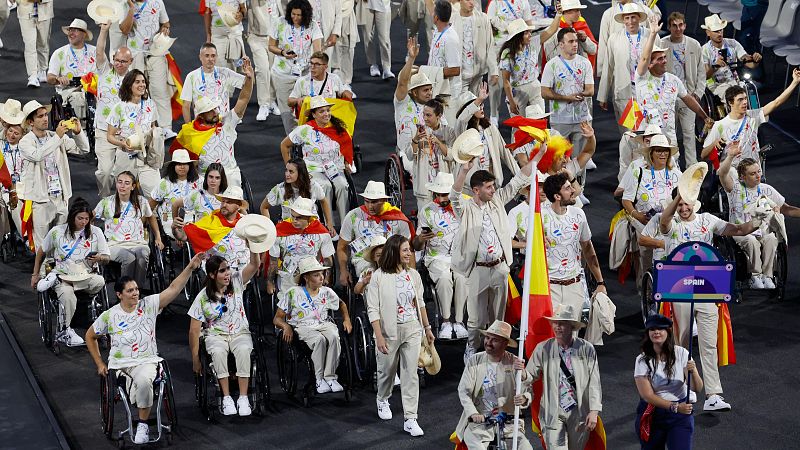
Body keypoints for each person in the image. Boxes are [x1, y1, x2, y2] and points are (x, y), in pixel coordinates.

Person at [658, 188, 761, 411]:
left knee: (708, 343)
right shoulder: (672, 223)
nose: (684, 209)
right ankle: (686, 388)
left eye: (687, 204)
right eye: (680, 205)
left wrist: (758, 221)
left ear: (695, 203)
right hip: (679, 290)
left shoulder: (707, 220)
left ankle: (713, 394)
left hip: (707, 290)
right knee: (681, 342)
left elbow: (739, 229)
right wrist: (677, 198)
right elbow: (664, 221)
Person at [86, 252, 204, 445]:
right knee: (138, 385)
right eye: (130, 290)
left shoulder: (148, 305)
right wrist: (99, 363)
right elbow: (90, 336)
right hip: (121, 365)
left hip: (147, 360)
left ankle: (142, 424)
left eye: (136, 289)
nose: (135, 293)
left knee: (142, 380)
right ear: (119, 294)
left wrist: (190, 268)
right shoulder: (109, 315)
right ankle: (142, 404)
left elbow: (174, 288)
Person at [450, 154, 534, 360]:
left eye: (493, 186)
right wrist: (463, 171)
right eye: (489, 187)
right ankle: (472, 347)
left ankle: (497, 350)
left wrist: (537, 158)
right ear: (476, 190)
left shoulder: (496, 201)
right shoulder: (466, 208)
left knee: (498, 317)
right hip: (477, 269)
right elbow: (454, 196)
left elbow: (517, 182)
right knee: (476, 319)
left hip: (499, 268)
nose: (493, 190)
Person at [366, 234, 435, 437]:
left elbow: (420, 303)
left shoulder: (413, 274)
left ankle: (410, 418)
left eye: (409, 250)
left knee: (410, 374)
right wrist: (378, 336)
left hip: (412, 328)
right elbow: (373, 309)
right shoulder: (379, 276)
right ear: (394, 251)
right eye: (405, 250)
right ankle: (382, 398)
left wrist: (427, 328)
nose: (409, 253)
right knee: (387, 371)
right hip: (389, 331)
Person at [188, 250, 260, 417]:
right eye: (222, 270)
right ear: (212, 275)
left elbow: (254, 265)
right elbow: (193, 330)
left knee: (243, 350)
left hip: (239, 331)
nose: (227, 273)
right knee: (218, 352)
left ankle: (243, 397)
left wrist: (254, 247)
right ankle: (226, 397)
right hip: (216, 335)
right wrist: (195, 359)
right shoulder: (202, 297)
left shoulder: (236, 281)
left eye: (227, 268)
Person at [521, 304, 602, 450]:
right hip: (552, 411)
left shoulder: (587, 349)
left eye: (562, 324)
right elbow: (530, 375)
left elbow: (594, 382)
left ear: (572, 327)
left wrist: (594, 411)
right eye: (555, 323)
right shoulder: (543, 348)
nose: (557, 327)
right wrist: (521, 373)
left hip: (579, 411)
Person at [718, 145, 800, 289]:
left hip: (762, 230)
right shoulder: (735, 189)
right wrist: (730, 156)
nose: (758, 176)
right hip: (741, 230)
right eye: (753, 173)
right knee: (751, 241)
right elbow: (722, 175)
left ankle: (767, 276)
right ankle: (755, 276)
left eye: (759, 172)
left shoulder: (767, 189)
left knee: (772, 239)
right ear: (742, 177)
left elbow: (787, 209)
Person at [31, 198, 110, 347]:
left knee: (100, 281)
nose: (83, 222)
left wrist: (100, 257)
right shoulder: (57, 232)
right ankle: (64, 330)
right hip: (63, 276)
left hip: (86, 275)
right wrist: (35, 274)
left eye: (87, 219)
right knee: (68, 296)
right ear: (72, 217)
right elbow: (41, 252)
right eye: (80, 218)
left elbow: (107, 257)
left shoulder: (96, 232)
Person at [634, 16, 712, 154]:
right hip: (648, 136)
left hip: (669, 137)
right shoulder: (642, 77)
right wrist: (653, 34)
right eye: (660, 59)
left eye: (664, 57)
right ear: (650, 64)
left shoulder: (673, 79)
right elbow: (645, 58)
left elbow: (688, 99)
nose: (664, 61)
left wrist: (704, 116)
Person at [274, 257, 352, 394]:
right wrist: (285, 326)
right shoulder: (293, 292)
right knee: (319, 340)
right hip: (302, 326)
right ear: (306, 277)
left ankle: (330, 377)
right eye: (316, 275)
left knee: (334, 336)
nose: (321, 277)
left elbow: (342, 304)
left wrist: (347, 319)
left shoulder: (326, 291)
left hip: (323, 323)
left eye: (322, 274)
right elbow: (277, 318)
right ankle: (319, 379)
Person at [19, 100, 90, 250]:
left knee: (61, 241)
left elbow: (84, 149)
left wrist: (78, 133)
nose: (45, 118)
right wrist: (57, 137)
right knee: (42, 244)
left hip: (60, 197)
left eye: (46, 115)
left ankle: (58, 270)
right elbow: (38, 155)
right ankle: (42, 271)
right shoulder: (25, 142)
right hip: (41, 199)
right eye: (40, 116)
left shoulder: (56, 136)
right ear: (31, 122)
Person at [177, 57, 254, 188]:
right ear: (201, 115)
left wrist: (249, 79)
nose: (215, 112)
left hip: (229, 172)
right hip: (204, 177)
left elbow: (243, 99)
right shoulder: (190, 134)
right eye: (210, 110)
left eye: (215, 108)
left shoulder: (227, 123)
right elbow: (189, 166)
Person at [456, 320, 533, 450]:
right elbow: (464, 391)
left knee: (526, 447)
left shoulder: (514, 362)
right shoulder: (475, 360)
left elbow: (528, 389)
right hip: (480, 423)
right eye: (487, 338)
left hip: (509, 423)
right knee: (476, 446)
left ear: (505, 343)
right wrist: (473, 413)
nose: (488, 343)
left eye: (494, 340)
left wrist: (524, 397)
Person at [702, 69, 800, 168]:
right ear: (730, 103)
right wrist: (714, 143)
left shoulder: (753, 116)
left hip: (753, 173)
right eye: (740, 100)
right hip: (732, 176)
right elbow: (703, 155)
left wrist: (794, 82)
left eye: (745, 98)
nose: (745, 102)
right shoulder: (720, 125)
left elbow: (776, 102)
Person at [541, 172, 607, 317]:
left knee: (572, 334)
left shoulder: (579, 214)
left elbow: (588, 249)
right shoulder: (540, 217)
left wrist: (600, 282)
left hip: (575, 285)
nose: (573, 191)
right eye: (567, 188)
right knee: (553, 332)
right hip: (549, 286)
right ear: (557, 196)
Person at [634, 314, 703, 449]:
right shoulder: (642, 360)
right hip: (653, 414)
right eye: (652, 329)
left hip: (680, 416)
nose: (656, 332)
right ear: (648, 333)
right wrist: (675, 407)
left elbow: (697, 388)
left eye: (661, 329)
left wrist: (693, 371)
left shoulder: (682, 353)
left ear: (668, 331)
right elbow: (647, 395)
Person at [413, 172, 468, 340]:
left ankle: (459, 322)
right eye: (442, 194)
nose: (445, 198)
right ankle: (445, 321)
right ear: (435, 194)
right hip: (436, 258)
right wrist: (421, 239)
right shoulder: (427, 211)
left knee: (461, 278)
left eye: (448, 194)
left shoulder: (463, 207)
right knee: (444, 278)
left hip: (460, 257)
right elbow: (416, 245)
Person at [280, 96, 351, 224]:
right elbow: (284, 145)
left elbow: (346, 146)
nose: (326, 114)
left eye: (328, 110)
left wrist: (347, 163)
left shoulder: (337, 128)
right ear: (314, 114)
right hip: (313, 169)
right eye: (322, 111)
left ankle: (345, 223)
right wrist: (289, 168)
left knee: (342, 185)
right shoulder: (305, 130)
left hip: (334, 168)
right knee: (325, 186)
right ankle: (331, 226)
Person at [622, 134, 682, 277]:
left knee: (672, 265)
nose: (663, 154)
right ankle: (647, 294)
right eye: (658, 150)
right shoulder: (638, 172)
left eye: (665, 150)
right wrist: (638, 216)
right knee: (648, 266)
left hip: (670, 227)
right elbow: (626, 200)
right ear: (651, 153)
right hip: (646, 226)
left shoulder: (677, 175)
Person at [337, 181, 415, 286]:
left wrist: (412, 275)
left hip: (393, 260)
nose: (370, 206)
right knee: (372, 278)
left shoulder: (398, 218)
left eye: (374, 202)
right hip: (363, 261)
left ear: (385, 200)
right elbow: (342, 246)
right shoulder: (353, 216)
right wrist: (343, 271)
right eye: (367, 201)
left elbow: (409, 249)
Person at [95, 171, 162, 290]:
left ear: (133, 186)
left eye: (127, 183)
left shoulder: (141, 201)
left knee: (143, 255)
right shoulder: (107, 202)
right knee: (129, 257)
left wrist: (158, 237)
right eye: (120, 182)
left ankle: (137, 290)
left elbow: (151, 217)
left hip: (138, 243)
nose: (122, 186)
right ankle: (125, 291)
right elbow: (90, 217)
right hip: (114, 244)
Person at [106, 69, 163, 198]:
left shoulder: (151, 104)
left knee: (155, 194)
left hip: (147, 156)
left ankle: (154, 217)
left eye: (143, 82)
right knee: (124, 195)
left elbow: (153, 126)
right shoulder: (119, 107)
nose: (142, 85)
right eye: (137, 82)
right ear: (129, 85)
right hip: (126, 156)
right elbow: (110, 136)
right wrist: (122, 143)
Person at [541, 27, 595, 163]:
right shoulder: (551, 65)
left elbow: (590, 90)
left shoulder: (585, 63)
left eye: (576, 41)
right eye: (571, 41)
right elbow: (544, 92)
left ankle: (580, 185)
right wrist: (566, 98)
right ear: (561, 44)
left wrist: (580, 94)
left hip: (581, 119)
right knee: (558, 160)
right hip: (559, 119)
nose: (575, 44)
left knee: (579, 160)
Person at [119, 0, 173, 136]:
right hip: (135, 54)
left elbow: (165, 22)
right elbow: (124, 30)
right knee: (136, 92)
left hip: (155, 52)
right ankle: (136, 127)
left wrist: (165, 29)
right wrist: (131, 9)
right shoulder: (125, 4)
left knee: (160, 91)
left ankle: (166, 128)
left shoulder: (158, 2)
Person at [268, 0, 323, 133]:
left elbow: (317, 50)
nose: (296, 18)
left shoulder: (313, 26)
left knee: (307, 109)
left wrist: (315, 62)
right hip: (282, 74)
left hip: (304, 74)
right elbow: (271, 46)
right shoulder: (279, 22)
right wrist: (282, 52)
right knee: (287, 112)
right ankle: (293, 140)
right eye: (293, 14)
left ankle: (306, 138)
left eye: (299, 15)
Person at [659, 12, 705, 167]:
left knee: (689, 134)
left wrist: (698, 93)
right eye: (674, 25)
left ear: (685, 25)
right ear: (669, 27)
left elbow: (701, 72)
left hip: (689, 97)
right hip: (668, 99)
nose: (678, 28)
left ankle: (692, 166)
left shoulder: (694, 44)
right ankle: (671, 166)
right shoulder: (661, 44)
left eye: (680, 25)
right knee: (669, 135)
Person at [267, 197, 335, 301]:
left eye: (298, 218)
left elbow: (328, 260)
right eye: (292, 216)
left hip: (313, 277)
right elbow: (273, 261)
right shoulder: (280, 231)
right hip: (288, 278)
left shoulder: (322, 233)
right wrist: (270, 282)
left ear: (308, 217)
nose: (294, 220)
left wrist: (326, 278)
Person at [94, 22, 134, 198]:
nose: (118, 64)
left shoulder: (135, 79)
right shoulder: (104, 70)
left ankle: (122, 203)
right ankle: (104, 200)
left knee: (123, 174)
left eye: (123, 61)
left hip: (124, 132)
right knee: (104, 172)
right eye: (117, 60)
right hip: (103, 130)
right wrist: (104, 30)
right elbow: (99, 51)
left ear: (130, 62)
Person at [454, 86, 520, 189]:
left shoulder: (489, 128)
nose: (481, 108)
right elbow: (462, 119)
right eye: (477, 105)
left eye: (481, 104)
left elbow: (505, 153)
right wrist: (479, 99)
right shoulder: (462, 130)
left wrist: (521, 178)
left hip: (491, 184)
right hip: (469, 187)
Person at [597, 2, 648, 134]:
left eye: (633, 17)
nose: (630, 21)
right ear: (623, 20)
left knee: (648, 132)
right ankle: (629, 155)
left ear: (639, 18)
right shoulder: (614, 39)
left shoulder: (650, 36)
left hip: (647, 91)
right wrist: (603, 95)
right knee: (629, 133)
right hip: (625, 91)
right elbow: (608, 67)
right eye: (627, 18)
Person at [173, 186, 250, 272]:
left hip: (243, 270)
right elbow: (183, 236)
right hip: (217, 273)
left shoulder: (245, 222)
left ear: (238, 206)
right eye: (223, 201)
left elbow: (255, 244)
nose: (224, 205)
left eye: (229, 202)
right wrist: (175, 229)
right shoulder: (210, 221)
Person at [499, 17, 560, 117]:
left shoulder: (534, 42)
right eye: (526, 33)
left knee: (540, 120)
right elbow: (506, 81)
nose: (530, 35)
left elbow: (552, 30)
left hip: (535, 86)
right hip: (517, 91)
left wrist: (558, 14)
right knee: (520, 126)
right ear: (518, 36)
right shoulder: (507, 53)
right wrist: (511, 101)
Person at [486, 0, 533, 126]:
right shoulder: (495, 2)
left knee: (518, 81)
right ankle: (494, 115)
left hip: (517, 47)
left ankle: (520, 110)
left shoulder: (523, 2)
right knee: (495, 82)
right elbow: (488, 22)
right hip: (498, 46)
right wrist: (505, 27)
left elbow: (529, 23)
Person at [409, 96, 456, 211]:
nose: (425, 118)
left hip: (443, 185)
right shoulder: (418, 130)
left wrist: (439, 142)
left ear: (439, 116)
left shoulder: (449, 132)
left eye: (428, 115)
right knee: (425, 223)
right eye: (424, 114)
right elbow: (410, 156)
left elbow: (452, 156)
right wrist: (415, 140)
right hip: (424, 186)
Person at [46, 19, 97, 126]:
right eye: (70, 30)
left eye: (75, 30)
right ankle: (82, 130)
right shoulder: (59, 53)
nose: (71, 33)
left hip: (92, 89)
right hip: (69, 90)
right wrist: (58, 79)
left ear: (84, 34)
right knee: (79, 99)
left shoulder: (95, 51)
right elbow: (49, 78)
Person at [701, 14, 762, 101]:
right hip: (716, 85)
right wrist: (715, 66)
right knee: (733, 96)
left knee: (751, 91)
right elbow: (705, 76)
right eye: (716, 31)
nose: (719, 34)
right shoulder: (704, 50)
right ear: (708, 32)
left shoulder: (733, 43)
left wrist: (756, 60)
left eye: (721, 30)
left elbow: (749, 63)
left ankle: (755, 112)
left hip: (734, 82)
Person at [181, 43, 247, 123]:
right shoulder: (192, 77)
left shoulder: (225, 73)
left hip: (224, 125)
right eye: (207, 56)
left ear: (216, 57)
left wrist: (249, 74)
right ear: (200, 57)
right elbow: (186, 106)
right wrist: (189, 129)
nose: (210, 59)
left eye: (213, 56)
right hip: (202, 127)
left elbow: (247, 84)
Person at [394, 38, 434, 169]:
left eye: (430, 89)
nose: (429, 93)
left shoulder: (433, 105)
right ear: (415, 92)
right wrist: (411, 59)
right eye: (425, 90)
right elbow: (402, 83)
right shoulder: (403, 101)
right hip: (407, 152)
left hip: (430, 147)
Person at [260, 159, 333, 228]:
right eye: (286, 170)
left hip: (311, 226)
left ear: (300, 173)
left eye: (291, 171)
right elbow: (264, 207)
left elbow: (324, 201)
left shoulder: (313, 186)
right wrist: (269, 228)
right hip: (288, 229)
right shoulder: (279, 189)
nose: (287, 174)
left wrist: (329, 223)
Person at [596, 0, 656, 77]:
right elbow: (603, 43)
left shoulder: (646, 11)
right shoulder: (608, 14)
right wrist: (601, 71)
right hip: (617, 70)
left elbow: (653, 40)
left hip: (644, 70)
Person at [149, 149, 201, 238]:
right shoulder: (164, 183)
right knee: (180, 233)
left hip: (194, 218)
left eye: (185, 164)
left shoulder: (200, 181)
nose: (182, 167)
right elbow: (150, 206)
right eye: (179, 164)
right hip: (170, 219)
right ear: (173, 166)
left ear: (189, 165)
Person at [247, 0, 282, 121]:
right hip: (257, 38)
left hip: (275, 38)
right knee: (262, 70)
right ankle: (263, 104)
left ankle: (272, 101)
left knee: (273, 71)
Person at [287, 51, 353, 110]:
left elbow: (343, 93)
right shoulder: (302, 81)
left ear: (325, 67)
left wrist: (346, 93)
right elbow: (290, 101)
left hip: (331, 117)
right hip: (310, 119)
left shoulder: (334, 78)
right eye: (311, 63)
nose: (312, 67)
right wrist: (298, 100)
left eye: (317, 64)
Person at [541, 0, 597, 65]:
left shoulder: (579, 27)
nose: (579, 14)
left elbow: (593, 50)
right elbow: (549, 57)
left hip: (578, 70)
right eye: (576, 10)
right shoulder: (552, 31)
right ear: (567, 11)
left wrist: (584, 40)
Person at [424, 0, 462, 96]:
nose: (431, 14)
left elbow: (455, 69)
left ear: (436, 18)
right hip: (438, 88)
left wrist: (430, 72)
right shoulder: (438, 30)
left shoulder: (450, 38)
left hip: (448, 94)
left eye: (433, 13)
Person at [0, 102, 25, 239]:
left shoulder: (25, 147)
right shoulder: (0, 144)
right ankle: (25, 237)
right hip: (5, 187)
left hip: (23, 185)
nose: (12, 135)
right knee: (12, 202)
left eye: (16, 133)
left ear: (22, 135)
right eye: (10, 131)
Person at [17, 0, 53, 88]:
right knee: (30, 45)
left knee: (43, 43)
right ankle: (32, 76)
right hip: (25, 12)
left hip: (45, 12)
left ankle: (42, 69)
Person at [202, 0, 246, 69]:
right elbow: (207, 12)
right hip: (217, 36)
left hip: (235, 35)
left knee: (237, 67)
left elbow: (243, 8)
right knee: (218, 68)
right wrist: (208, 36)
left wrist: (241, 15)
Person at [362, 0, 394, 80]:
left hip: (383, 4)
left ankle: (386, 68)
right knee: (368, 36)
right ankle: (373, 64)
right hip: (366, 3)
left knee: (385, 38)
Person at [332, 0, 359, 87]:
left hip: (348, 13)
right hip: (331, 13)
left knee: (347, 48)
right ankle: (330, 80)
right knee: (331, 47)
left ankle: (346, 82)